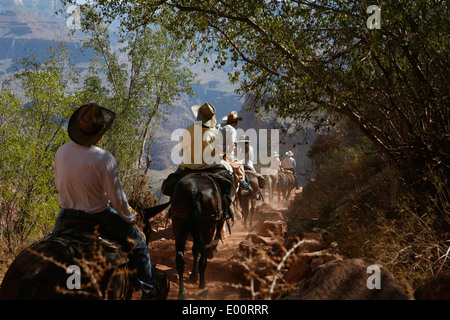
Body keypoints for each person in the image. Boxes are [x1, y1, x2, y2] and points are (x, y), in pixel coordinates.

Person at [52, 103, 158, 299]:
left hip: (66, 215)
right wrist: (130, 217)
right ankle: (148, 288)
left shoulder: (62, 151)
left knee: (50, 246)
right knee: (140, 243)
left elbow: (59, 185)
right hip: (99, 217)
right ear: (100, 132)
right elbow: (117, 199)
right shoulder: (104, 158)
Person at [170, 102, 234, 220]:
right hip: (211, 168)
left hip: (188, 168)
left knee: (172, 184)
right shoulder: (215, 133)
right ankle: (226, 210)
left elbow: (183, 152)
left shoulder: (188, 129)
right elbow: (218, 154)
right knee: (230, 180)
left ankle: (172, 208)